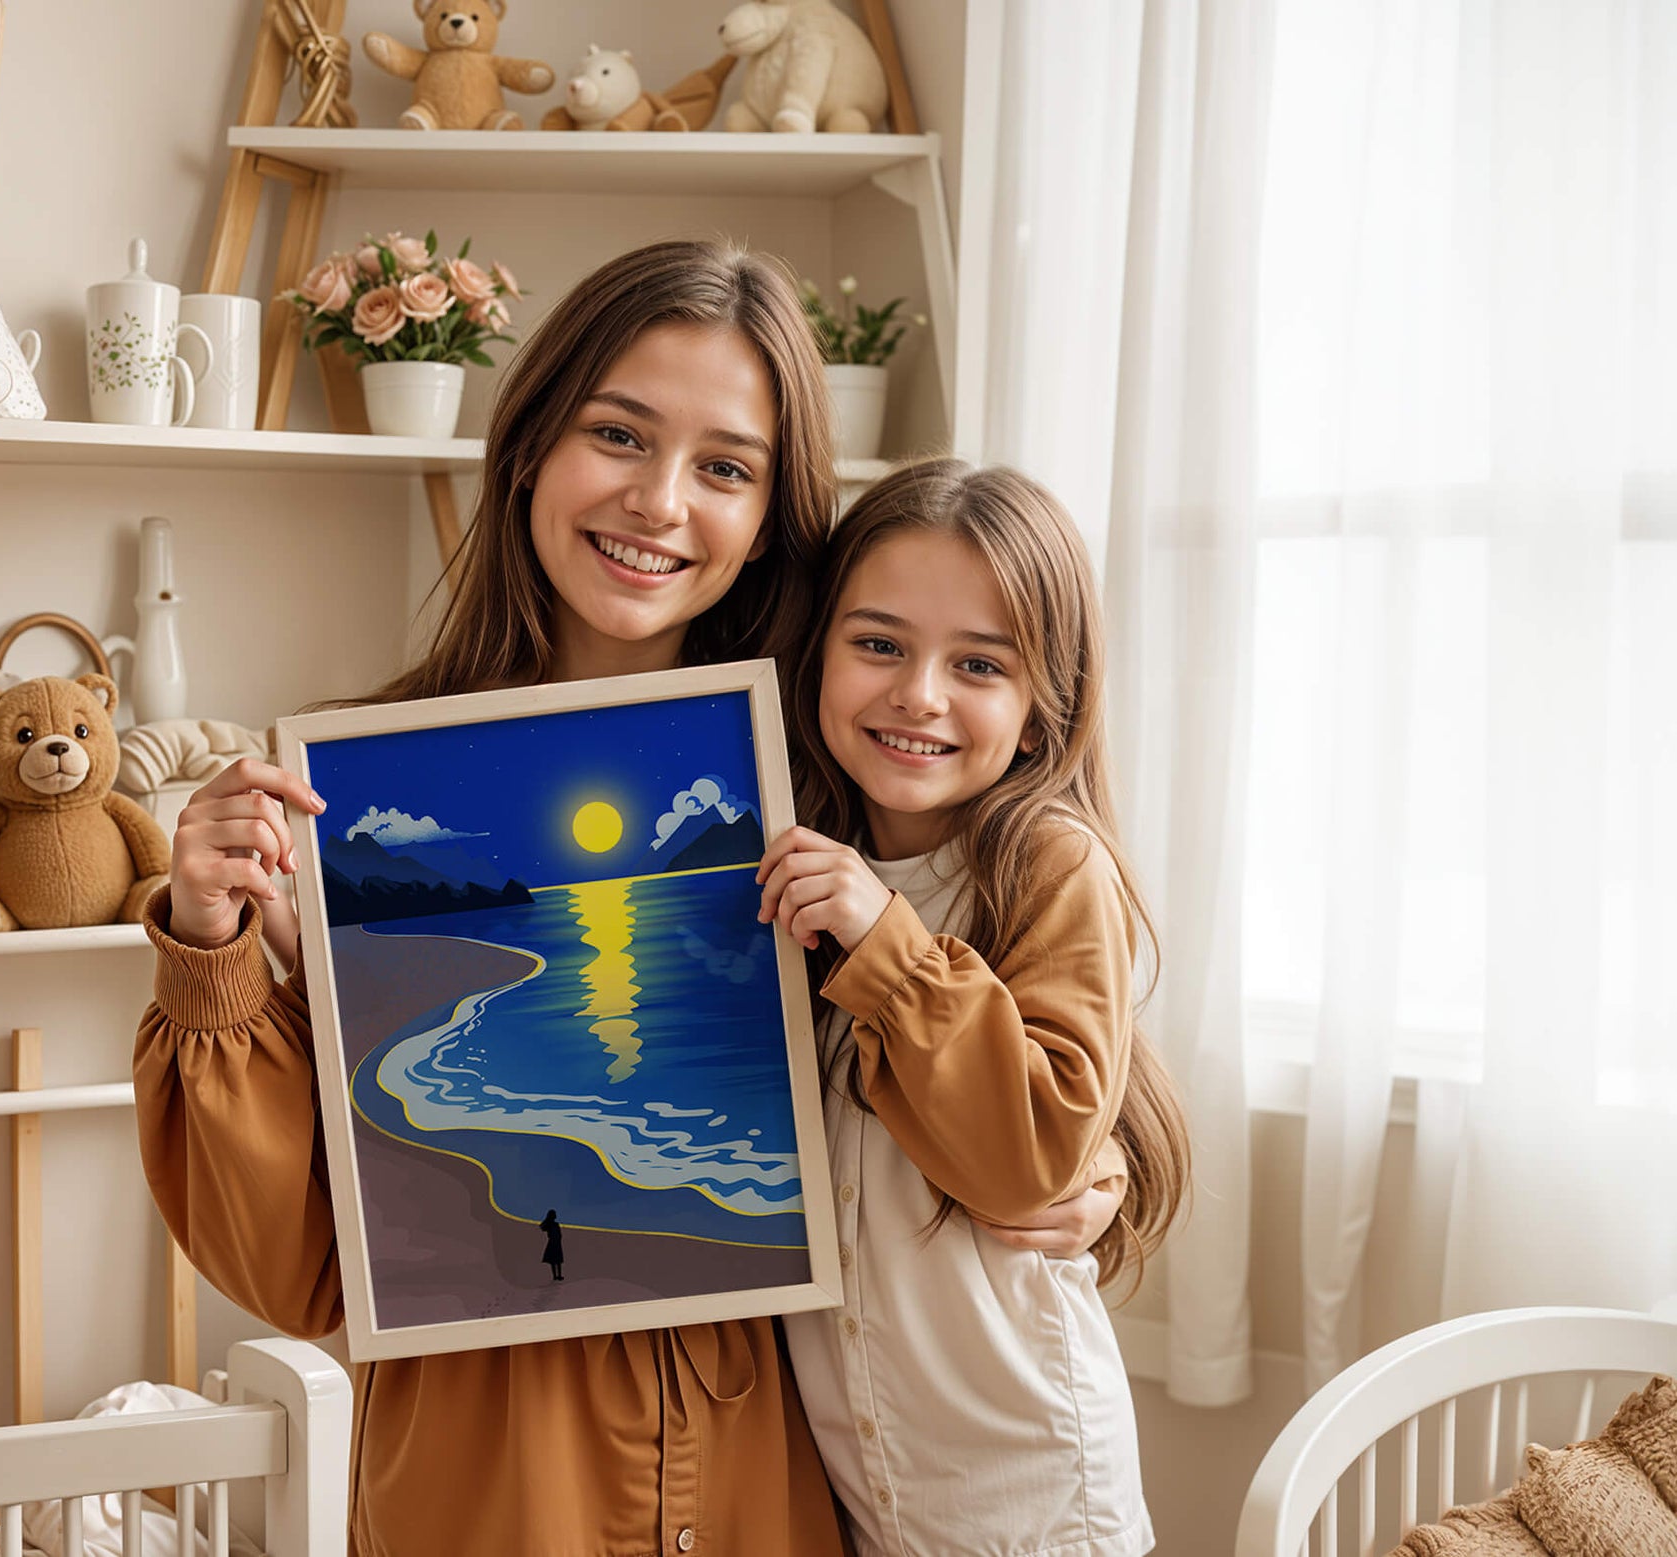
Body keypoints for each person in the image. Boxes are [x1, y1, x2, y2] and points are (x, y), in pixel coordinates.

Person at [133, 242, 1127, 1557]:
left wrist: (1087, 1163)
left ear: (773, 513)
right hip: (490, 1480)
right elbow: (293, 1267)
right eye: (619, 434)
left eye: (724, 466)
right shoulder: (354, 797)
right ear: (533, 442)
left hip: (765, 1479)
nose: (660, 501)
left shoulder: (829, 779)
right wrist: (211, 955)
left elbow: (1041, 1046)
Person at [758, 458, 1192, 1557]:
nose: (918, 694)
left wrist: (883, 941)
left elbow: (1029, 1156)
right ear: (816, 658)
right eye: (878, 645)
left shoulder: (1047, 863)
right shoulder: (788, 856)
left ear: (1041, 712)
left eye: (977, 665)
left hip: (1029, 1498)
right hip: (858, 1482)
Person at [538, 1208, 565, 1281]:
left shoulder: (555, 1224)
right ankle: (555, 1276)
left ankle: (558, 1275)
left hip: (556, 1242)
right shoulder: (550, 1224)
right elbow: (541, 1226)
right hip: (553, 1242)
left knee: (557, 1260)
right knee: (554, 1260)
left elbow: (559, 1234)